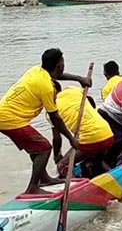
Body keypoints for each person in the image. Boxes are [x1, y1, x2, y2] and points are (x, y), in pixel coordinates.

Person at [0, 49, 91, 194]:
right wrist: (71, 138)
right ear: (59, 66)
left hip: (5, 115)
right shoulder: (47, 88)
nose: (63, 65)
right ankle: (33, 187)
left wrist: (79, 79)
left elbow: (56, 75)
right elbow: (55, 118)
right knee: (44, 148)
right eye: (62, 62)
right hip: (10, 120)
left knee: (35, 148)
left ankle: (44, 178)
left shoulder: (37, 70)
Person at [52, 86, 114, 178]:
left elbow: (57, 138)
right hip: (108, 134)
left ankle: (75, 186)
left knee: (62, 165)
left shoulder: (52, 109)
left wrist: (57, 156)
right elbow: (90, 100)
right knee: (96, 161)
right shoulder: (72, 90)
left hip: (91, 140)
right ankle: (112, 175)